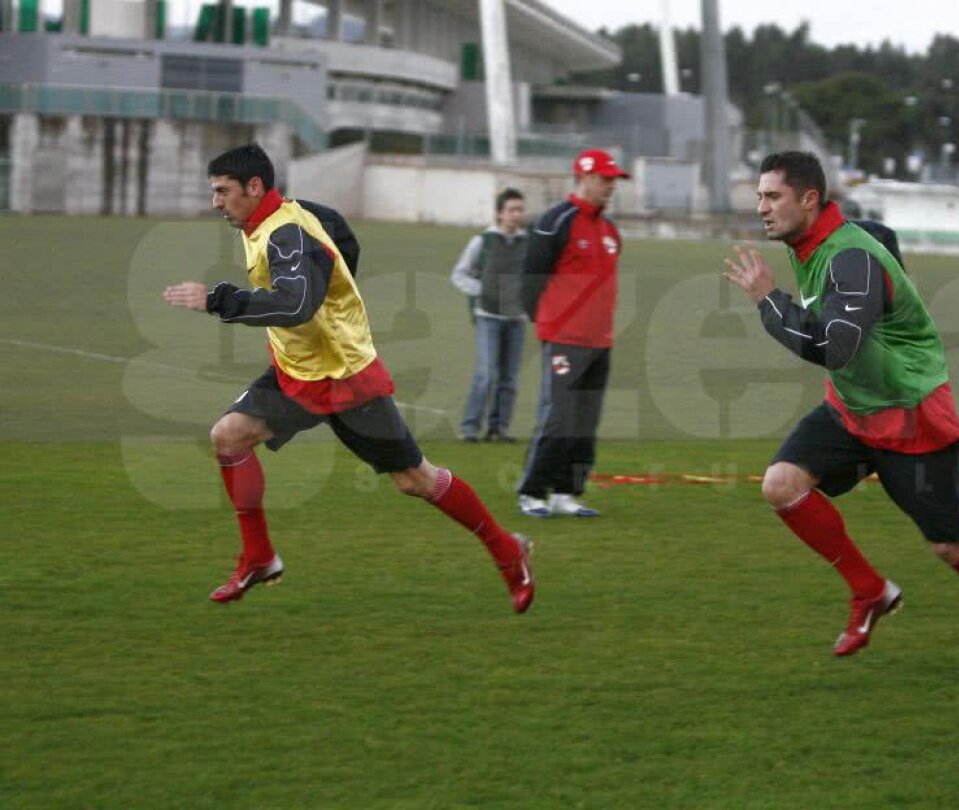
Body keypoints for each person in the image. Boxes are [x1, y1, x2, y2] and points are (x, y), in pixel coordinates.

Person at [722, 151, 959, 696]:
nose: (761, 208)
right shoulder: (815, 244)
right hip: (853, 407)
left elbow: (835, 349)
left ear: (809, 199)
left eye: (772, 196)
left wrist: (768, 301)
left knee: (952, 547)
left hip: (909, 414)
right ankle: (869, 590)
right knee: (782, 484)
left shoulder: (849, 257)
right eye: (759, 196)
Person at [161, 144, 534, 612]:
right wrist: (338, 286)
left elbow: (296, 305)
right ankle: (259, 557)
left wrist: (220, 299)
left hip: (344, 378)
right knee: (229, 436)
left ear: (254, 187)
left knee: (415, 479)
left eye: (222, 191)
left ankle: (508, 550)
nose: (216, 202)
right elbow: (342, 234)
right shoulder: (284, 215)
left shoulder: (286, 234)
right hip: (297, 370)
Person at [515, 149, 629, 518]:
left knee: (585, 422)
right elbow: (531, 279)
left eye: (613, 180)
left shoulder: (610, 230)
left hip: (600, 341)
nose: (610, 186)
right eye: (604, 179)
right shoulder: (555, 221)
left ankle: (566, 493)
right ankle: (532, 492)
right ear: (583, 177)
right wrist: (547, 324)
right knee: (559, 417)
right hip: (565, 338)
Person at [450, 188, 529, 443]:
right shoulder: (482, 242)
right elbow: (459, 274)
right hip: (488, 317)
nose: (516, 215)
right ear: (499, 213)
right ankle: (470, 428)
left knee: (510, 378)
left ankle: (499, 429)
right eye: (511, 210)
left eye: (520, 210)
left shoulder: (527, 243)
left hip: (517, 320)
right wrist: (482, 290)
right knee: (486, 374)